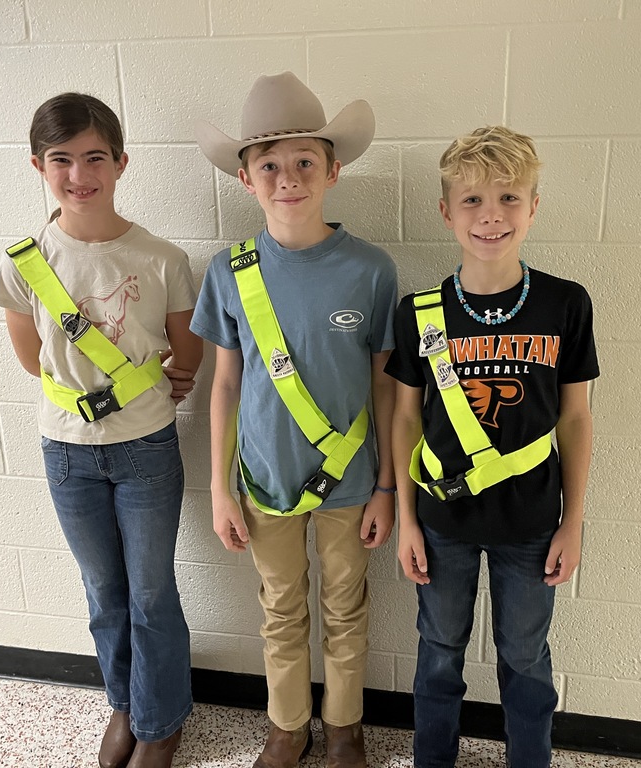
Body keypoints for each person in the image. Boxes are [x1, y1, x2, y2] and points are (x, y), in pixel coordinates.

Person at [189, 72, 398, 768]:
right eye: (269, 165)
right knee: (280, 609)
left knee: (346, 608)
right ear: (246, 179)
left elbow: (386, 386)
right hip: (265, 481)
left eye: (305, 161)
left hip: (349, 480)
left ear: (334, 170)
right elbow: (223, 384)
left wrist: (387, 487)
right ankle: (288, 727)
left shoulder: (370, 270)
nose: (288, 178)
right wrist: (221, 487)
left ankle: (344, 729)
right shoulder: (229, 272)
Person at [0, 92, 203, 768]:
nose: (78, 174)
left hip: (145, 449)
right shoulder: (24, 262)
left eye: (94, 158)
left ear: (120, 163)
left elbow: (188, 352)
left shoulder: (161, 257)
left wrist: (150, 383)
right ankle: (124, 703)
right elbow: (32, 362)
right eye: (61, 160)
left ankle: (161, 719)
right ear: (37, 165)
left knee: (149, 592)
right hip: (66, 450)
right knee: (103, 593)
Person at [387, 126, 599, 768]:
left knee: (526, 656)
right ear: (447, 212)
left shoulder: (566, 304)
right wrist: (404, 519)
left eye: (509, 198)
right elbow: (403, 420)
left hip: (534, 521)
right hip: (441, 517)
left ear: (534, 207)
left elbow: (577, 417)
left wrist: (574, 523)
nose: (492, 216)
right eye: (473, 200)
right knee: (439, 651)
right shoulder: (418, 311)